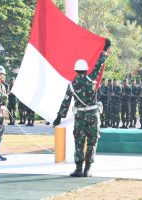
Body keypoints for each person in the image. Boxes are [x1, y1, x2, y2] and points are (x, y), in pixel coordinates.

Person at [53, 39, 111, 177]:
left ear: (75, 70)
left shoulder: (71, 85)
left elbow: (65, 103)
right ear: (86, 69)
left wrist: (58, 117)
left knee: (79, 142)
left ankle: (78, 169)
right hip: (93, 116)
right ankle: (88, 169)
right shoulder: (92, 80)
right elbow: (99, 64)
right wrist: (105, 50)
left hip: (80, 117)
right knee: (92, 141)